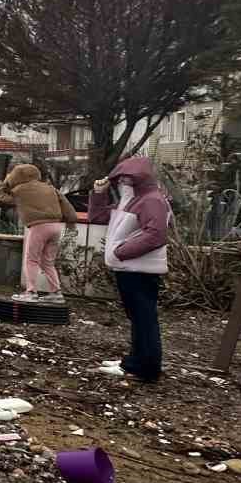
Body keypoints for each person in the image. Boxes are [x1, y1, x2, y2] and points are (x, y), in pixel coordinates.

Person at [87, 156, 171, 384]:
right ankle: (135, 361)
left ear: (135, 179)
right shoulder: (133, 200)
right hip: (130, 268)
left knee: (143, 318)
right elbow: (97, 216)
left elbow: (156, 234)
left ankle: (145, 367)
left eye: (124, 178)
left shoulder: (150, 200)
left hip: (140, 269)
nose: (120, 183)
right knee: (138, 317)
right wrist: (98, 193)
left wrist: (121, 251)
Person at [0, 163, 76, 303]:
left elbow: (2, 198)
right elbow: (67, 206)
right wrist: (71, 222)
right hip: (56, 227)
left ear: (16, 176)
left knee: (31, 260)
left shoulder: (19, 190)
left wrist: (4, 183)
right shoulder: (50, 188)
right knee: (48, 262)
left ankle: (31, 292)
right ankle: (56, 293)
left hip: (39, 227)